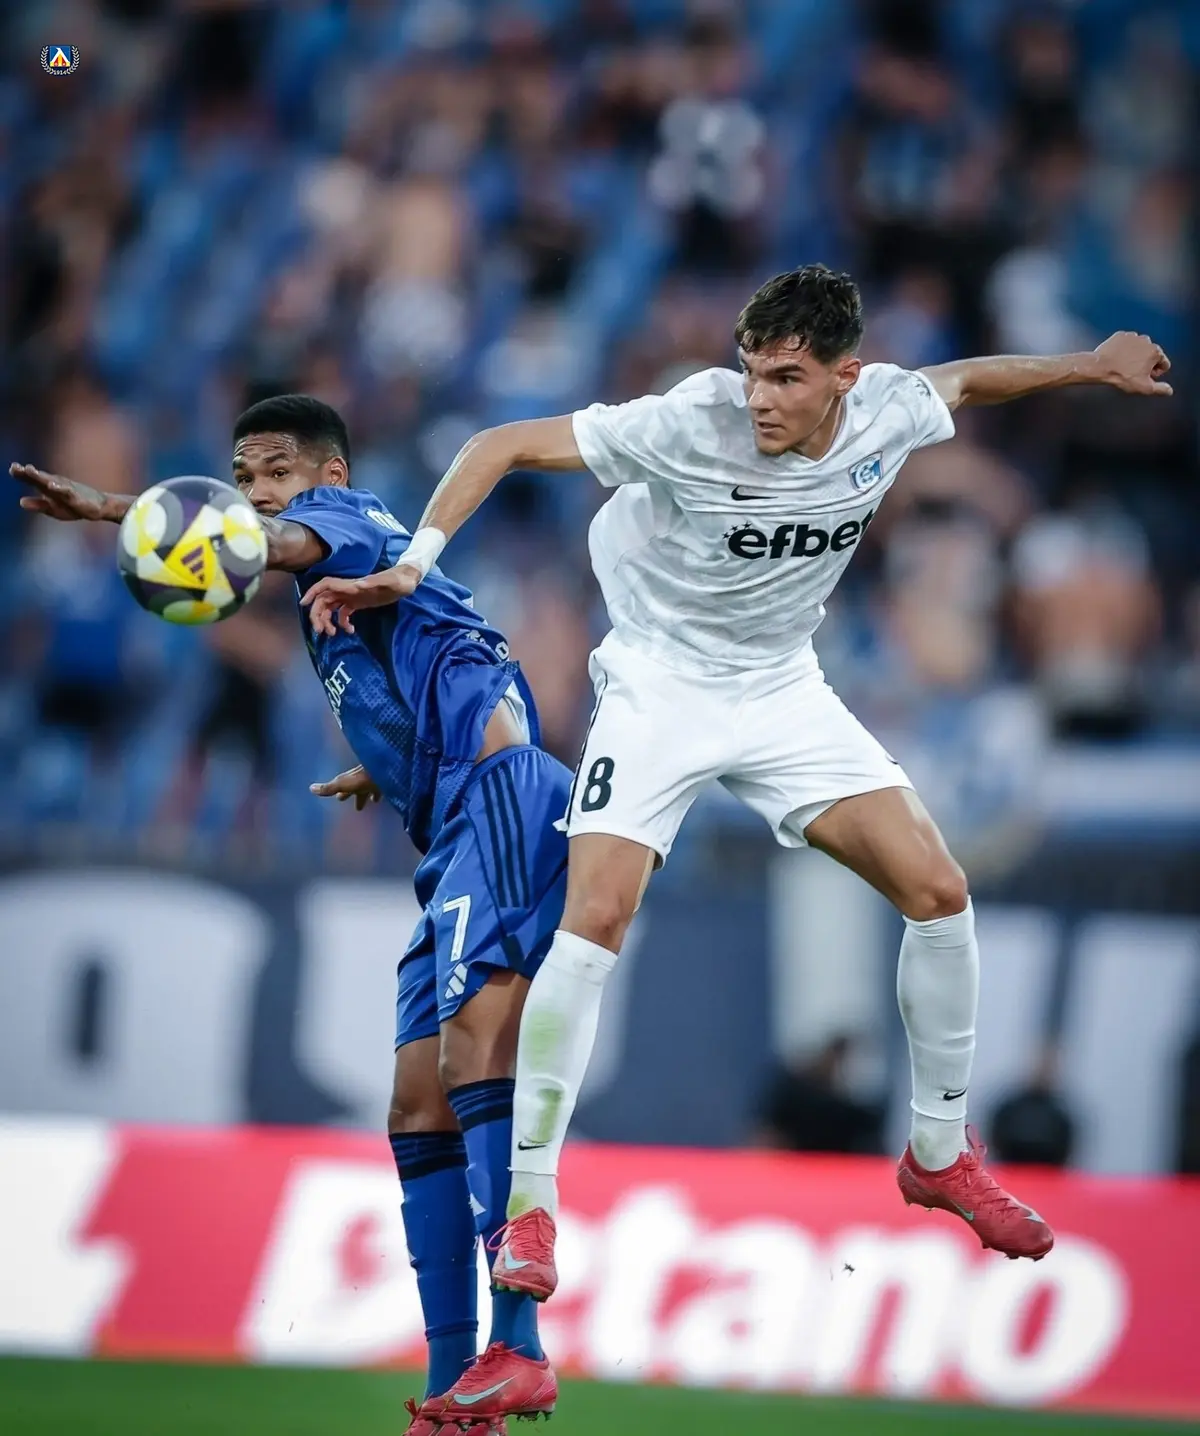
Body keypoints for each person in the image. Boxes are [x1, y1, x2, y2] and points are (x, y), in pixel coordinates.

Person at [301, 265, 1173, 1294]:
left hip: (781, 685)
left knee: (940, 892)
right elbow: (499, 443)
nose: (759, 396)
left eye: (786, 378)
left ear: (846, 377)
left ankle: (939, 1153)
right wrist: (412, 563)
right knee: (594, 923)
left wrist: (1089, 366)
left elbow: (972, 380)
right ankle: (529, 1212)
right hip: (661, 679)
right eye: (752, 371)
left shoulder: (888, 411)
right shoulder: (690, 420)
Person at [11, 393, 567, 1434]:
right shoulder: (341, 593)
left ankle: (520, 1340)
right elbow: (445, 663)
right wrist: (389, 763)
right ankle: (457, 1391)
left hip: (504, 797)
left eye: (277, 472)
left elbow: (271, 540)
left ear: (330, 476)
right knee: (414, 1104)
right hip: (453, 825)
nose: (259, 493)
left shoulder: (346, 525)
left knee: (472, 1049)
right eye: (243, 475)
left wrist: (122, 515)